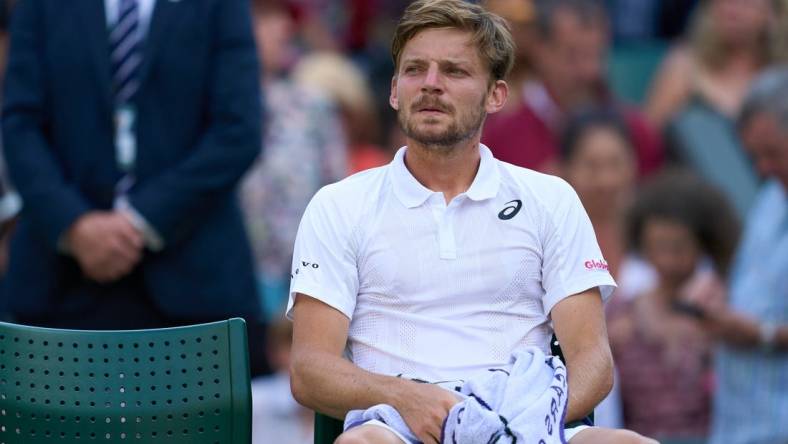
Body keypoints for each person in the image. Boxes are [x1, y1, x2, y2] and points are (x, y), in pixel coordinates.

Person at [288, 1, 656, 443]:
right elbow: (309, 370)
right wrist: (405, 398)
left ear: (496, 95)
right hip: (397, 429)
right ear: (393, 91)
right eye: (415, 70)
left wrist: (514, 424)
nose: (430, 85)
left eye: (454, 72)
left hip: (530, 424)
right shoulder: (338, 205)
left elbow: (594, 362)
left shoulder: (550, 198)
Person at [1, 0, 268, 373]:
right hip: (59, 285)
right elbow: (19, 124)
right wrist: (75, 225)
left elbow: (238, 131)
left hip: (193, 285)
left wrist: (139, 220)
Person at [687, 66, 788, 444]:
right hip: (739, 426)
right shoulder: (769, 199)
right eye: (755, 157)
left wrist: (759, 333)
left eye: (773, 153)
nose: (763, 168)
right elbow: (752, 287)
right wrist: (716, 297)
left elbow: (760, 323)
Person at [608, 170, 739, 441]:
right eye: (657, 247)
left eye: (678, 248)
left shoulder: (725, 312)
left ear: (704, 244)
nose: (666, 260)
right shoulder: (622, 313)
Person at [481, 0, 663, 177]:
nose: (589, 71)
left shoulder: (636, 130)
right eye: (573, 55)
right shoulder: (501, 134)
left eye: (595, 55)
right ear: (540, 50)